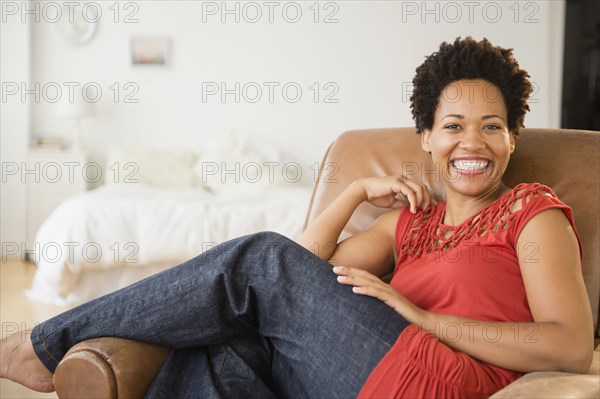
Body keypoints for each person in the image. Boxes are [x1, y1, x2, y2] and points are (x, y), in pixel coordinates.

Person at [1, 37, 594, 398]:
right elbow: (297, 275)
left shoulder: (532, 214)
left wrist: (424, 319)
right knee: (218, 353)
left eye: (493, 126)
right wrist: (355, 191)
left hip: (436, 381)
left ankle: (40, 344)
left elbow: (568, 347)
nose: (474, 142)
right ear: (427, 137)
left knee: (257, 258)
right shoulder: (411, 224)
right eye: (454, 126)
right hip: (369, 367)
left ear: (513, 138)